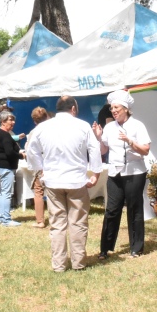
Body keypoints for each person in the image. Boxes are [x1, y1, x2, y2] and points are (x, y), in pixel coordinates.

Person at [25, 95, 102, 272]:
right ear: (73, 109)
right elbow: (95, 149)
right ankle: (78, 263)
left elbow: (31, 150)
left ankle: (59, 265)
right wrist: (96, 174)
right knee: (78, 223)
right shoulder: (82, 126)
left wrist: (40, 169)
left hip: (53, 181)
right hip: (76, 180)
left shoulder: (43, 127)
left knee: (57, 224)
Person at [92, 90, 150, 259]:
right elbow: (104, 150)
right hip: (115, 173)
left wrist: (130, 141)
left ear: (126, 108)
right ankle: (105, 248)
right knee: (111, 210)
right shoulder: (109, 127)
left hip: (135, 172)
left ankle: (136, 248)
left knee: (134, 209)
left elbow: (145, 150)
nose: (114, 111)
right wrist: (98, 137)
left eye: (116, 107)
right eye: (112, 108)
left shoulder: (138, 125)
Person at [0, 110, 22, 227]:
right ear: (3, 122)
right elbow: (9, 153)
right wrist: (21, 155)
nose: (13, 122)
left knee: (4, 193)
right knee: (6, 193)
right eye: (10, 120)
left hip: (1, 166)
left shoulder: (1, 134)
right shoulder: (4, 135)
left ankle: (2, 217)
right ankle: (5, 219)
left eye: (13, 120)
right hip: (5, 167)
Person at [27, 107, 50, 227]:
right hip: (53, 164)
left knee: (39, 192)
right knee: (54, 193)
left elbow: (29, 150)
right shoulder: (54, 130)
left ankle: (40, 220)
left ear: (34, 120)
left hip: (41, 166)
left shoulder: (34, 132)